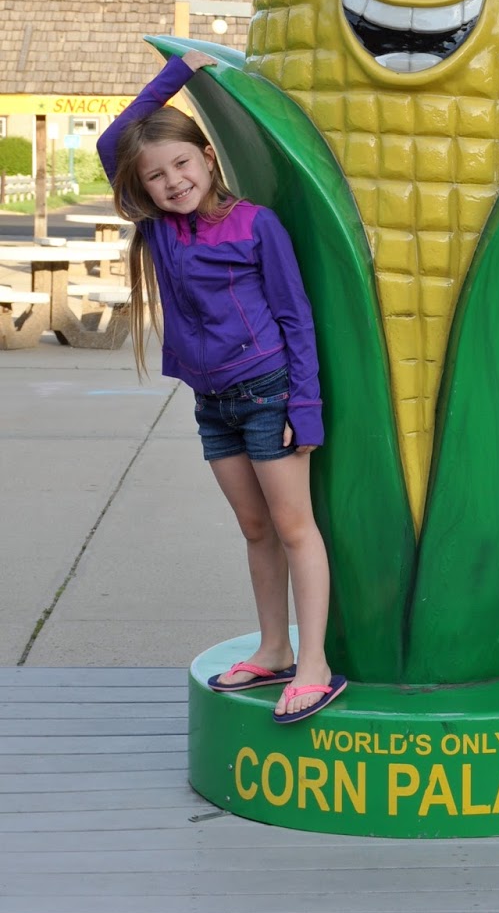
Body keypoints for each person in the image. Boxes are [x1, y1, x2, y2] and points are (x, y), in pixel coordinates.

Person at [98, 51, 346, 725]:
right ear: (142, 187)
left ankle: (315, 664)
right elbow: (110, 141)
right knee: (255, 526)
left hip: (268, 392)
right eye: (155, 174)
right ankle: (273, 649)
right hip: (214, 403)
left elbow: (296, 315)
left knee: (296, 529)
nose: (172, 180)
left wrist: (306, 406)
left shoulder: (255, 225)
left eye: (182, 164)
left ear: (208, 159)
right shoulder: (159, 232)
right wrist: (172, 75)